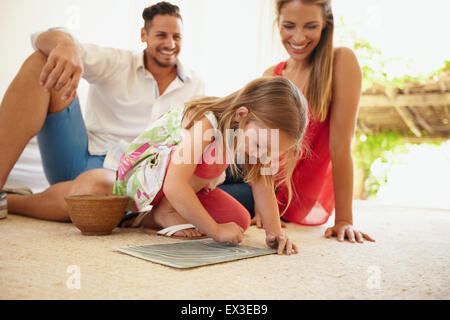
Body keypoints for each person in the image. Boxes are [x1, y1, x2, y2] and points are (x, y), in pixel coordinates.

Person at [0, 2, 204, 219]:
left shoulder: (195, 86)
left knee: (93, 195)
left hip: (135, 181)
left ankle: (11, 201)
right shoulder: (116, 63)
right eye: (162, 35)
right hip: (81, 159)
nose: (170, 43)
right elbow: (41, 38)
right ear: (144, 35)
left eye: (177, 37)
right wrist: (65, 45)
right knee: (43, 60)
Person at [221, 0, 375, 244]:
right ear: (278, 24)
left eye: (310, 26)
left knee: (205, 196)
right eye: (289, 26)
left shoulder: (341, 62)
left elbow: (340, 145)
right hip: (253, 170)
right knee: (196, 166)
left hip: (278, 192)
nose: (299, 37)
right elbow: (256, 153)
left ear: (326, 25)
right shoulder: (272, 73)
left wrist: (344, 220)